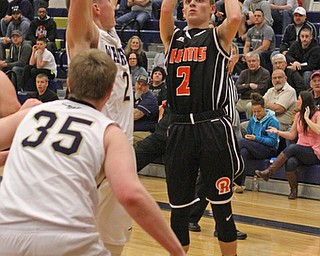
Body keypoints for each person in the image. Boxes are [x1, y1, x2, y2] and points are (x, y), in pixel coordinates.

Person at [0, 48, 185, 256]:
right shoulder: (110, 132)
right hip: (67, 239)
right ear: (109, 92)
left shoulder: (34, 113)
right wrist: (177, 251)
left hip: (7, 234)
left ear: (68, 83)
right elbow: (130, 195)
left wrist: (13, 152)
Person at [160, 0, 242, 255]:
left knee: (221, 208)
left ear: (212, 10)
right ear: (182, 10)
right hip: (180, 125)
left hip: (211, 125)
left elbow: (236, 16)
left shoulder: (217, 35)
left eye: (199, 1)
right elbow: (164, 9)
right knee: (178, 211)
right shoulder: (172, 37)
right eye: (187, 2)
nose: (192, 4)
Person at [65, 0, 135, 255]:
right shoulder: (89, 37)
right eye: (109, 1)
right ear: (94, 7)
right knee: (76, 239)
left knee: (112, 243)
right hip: (96, 152)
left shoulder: (113, 38)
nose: (115, 4)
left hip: (122, 149)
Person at [256, 90, 320, 199]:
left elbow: (318, 131)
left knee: (292, 148)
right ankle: (293, 190)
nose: (296, 102)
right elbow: (292, 135)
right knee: (290, 162)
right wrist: (277, 132)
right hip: (301, 150)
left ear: (304, 101)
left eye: (298, 99)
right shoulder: (298, 115)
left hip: (314, 152)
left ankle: (269, 172)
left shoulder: (318, 114)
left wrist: (306, 118)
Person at [237, 92, 279, 188]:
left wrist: (256, 138)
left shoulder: (272, 121)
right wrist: (250, 137)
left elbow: (272, 142)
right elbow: (249, 133)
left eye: (259, 111)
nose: (256, 114)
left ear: (264, 108)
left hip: (269, 149)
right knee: (243, 151)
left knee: (242, 142)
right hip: (254, 147)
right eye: (254, 112)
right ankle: (240, 183)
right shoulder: (253, 119)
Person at [235, 51, 270, 119]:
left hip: (256, 100)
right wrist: (249, 85)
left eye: (253, 61)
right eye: (249, 61)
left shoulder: (265, 73)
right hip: (242, 100)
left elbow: (261, 90)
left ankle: (250, 126)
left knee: (250, 106)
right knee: (231, 108)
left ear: (258, 62)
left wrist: (244, 86)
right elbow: (236, 88)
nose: (251, 63)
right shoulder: (244, 73)